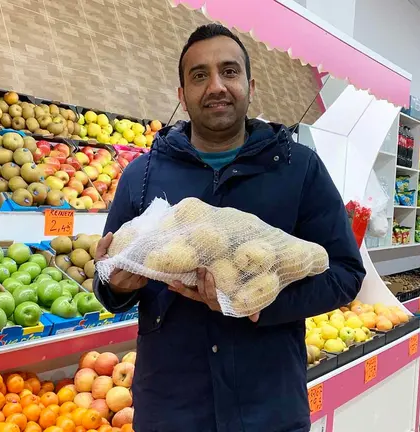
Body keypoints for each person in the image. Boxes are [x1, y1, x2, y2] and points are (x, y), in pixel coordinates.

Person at [93, 23, 366, 432]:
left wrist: (258, 304)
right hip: (172, 410)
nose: (216, 86)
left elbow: (345, 274)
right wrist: (115, 286)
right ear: (182, 95)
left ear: (250, 86)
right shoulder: (142, 175)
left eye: (229, 71)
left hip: (268, 409)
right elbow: (108, 284)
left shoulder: (299, 170)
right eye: (199, 75)